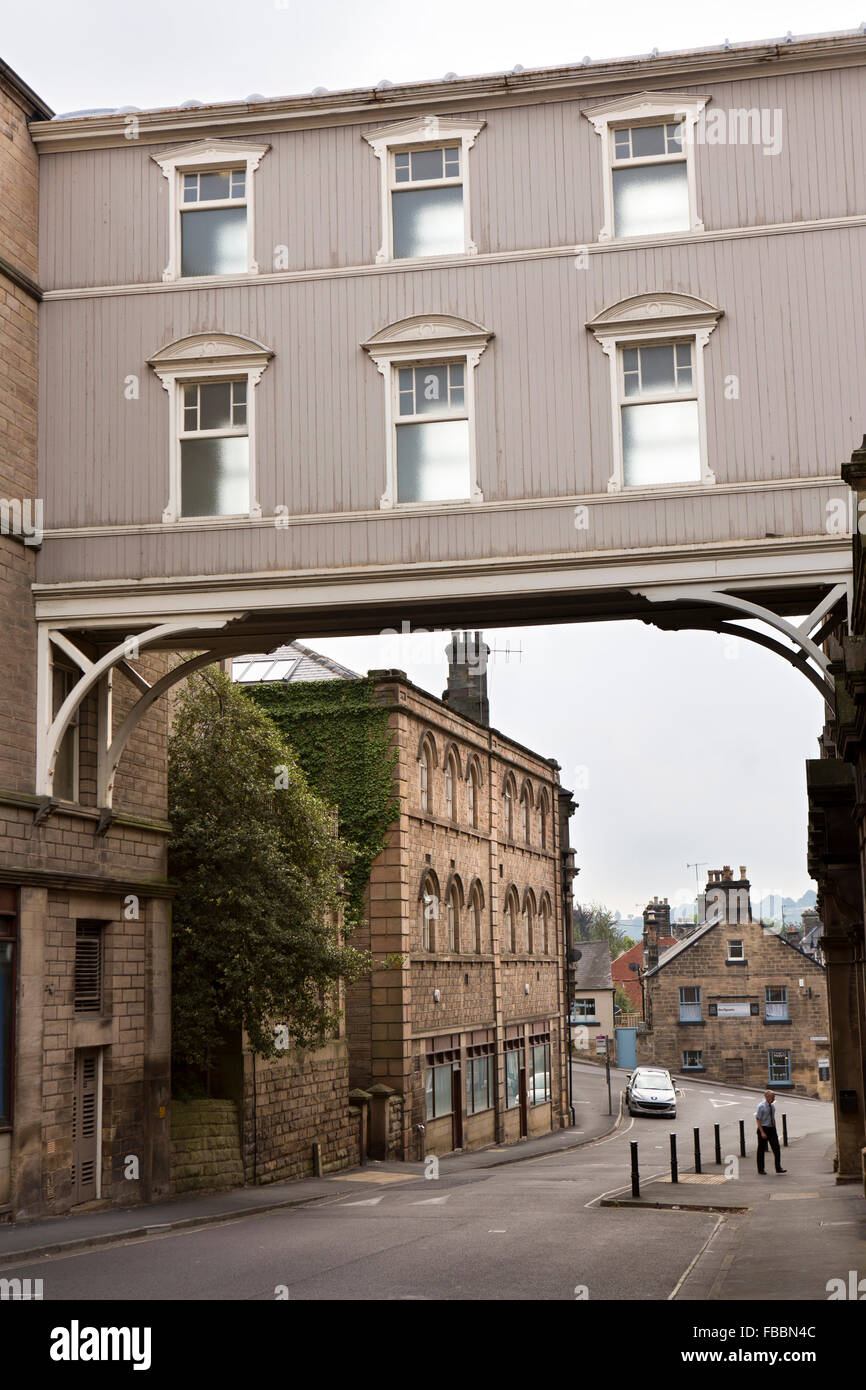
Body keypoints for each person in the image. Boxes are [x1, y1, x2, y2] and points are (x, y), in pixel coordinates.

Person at [755, 1090, 787, 1174]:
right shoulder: (761, 1106)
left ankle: (778, 1167)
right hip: (763, 1128)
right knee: (761, 1150)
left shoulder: (772, 1106)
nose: (774, 1099)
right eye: (773, 1097)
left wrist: (775, 1128)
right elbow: (758, 1119)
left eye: (774, 1097)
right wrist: (762, 1132)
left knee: (776, 1148)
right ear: (767, 1097)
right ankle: (761, 1169)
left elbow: (773, 1118)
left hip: (771, 1129)